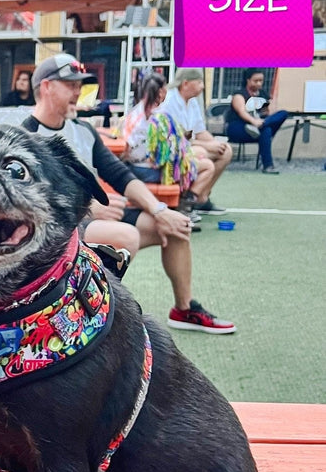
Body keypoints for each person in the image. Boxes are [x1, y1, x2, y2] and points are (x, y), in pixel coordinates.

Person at [22, 52, 235, 334]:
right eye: (70, 85)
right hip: (54, 235)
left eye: (79, 85)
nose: (77, 92)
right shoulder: (24, 136)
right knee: (125, 237)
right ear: (47, 87)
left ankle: (183, 310)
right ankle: (91, 314)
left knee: (175, 227)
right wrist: (88, 207)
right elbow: (24, 203)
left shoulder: (83, 130)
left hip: (91, 221)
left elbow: (121, 175)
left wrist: (160, 210)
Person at [121, 73, 214, 230]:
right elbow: (168, 155)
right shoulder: (159, 118)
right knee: (206, 166)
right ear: (161, 92)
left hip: (133, 166)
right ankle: (184, 207)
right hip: (150, 171)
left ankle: (182, 203)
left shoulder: (135, 113)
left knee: (195, 158)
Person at [161, 68, 231, 213]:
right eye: (199, 82)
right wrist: (208, 146)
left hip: (186, 145)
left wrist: (216, 144)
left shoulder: (192, 101)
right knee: (201, 152)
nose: (202, 86)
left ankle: (201, 198)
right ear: (185, 83)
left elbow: (200, 131)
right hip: (171, 150)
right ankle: (185, 200)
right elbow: (176, 138)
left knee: (226, 151)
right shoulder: (169, 102)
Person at [224, 68, 289, 174]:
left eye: (261, 81)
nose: (259, 83)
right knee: (266, 131)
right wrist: (254, 121)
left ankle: (263, 125)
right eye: (256, 81)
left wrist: (266, 115)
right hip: (239, 127)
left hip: (258, 127)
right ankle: (268, 166)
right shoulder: (239, 95)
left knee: (282, 114)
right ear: (248, 80)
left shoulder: (263, 94)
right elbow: (242, 112)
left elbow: (269, 111)